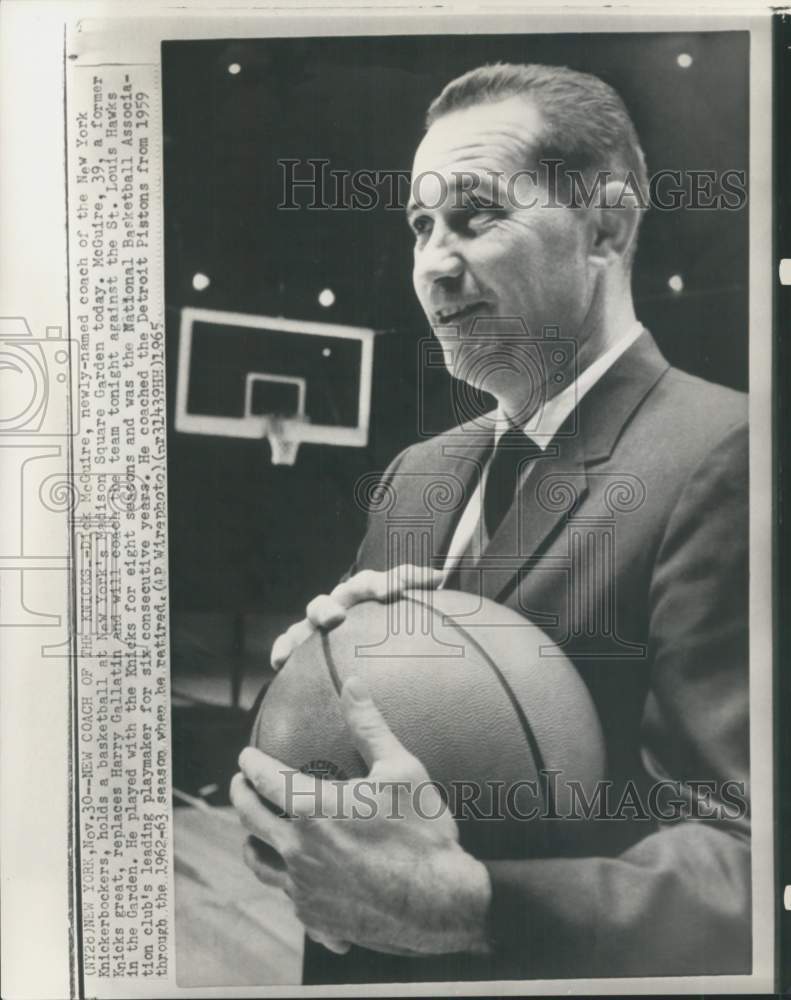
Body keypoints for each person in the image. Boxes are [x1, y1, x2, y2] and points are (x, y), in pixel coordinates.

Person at [230, 63, 750, 983]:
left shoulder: (734, 454)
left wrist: (473, 905)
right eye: (420, 226)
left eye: (474, 215)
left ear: (607, 226)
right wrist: (316, 693)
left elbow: (749, 862)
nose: (433, 259)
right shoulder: (414, 477)